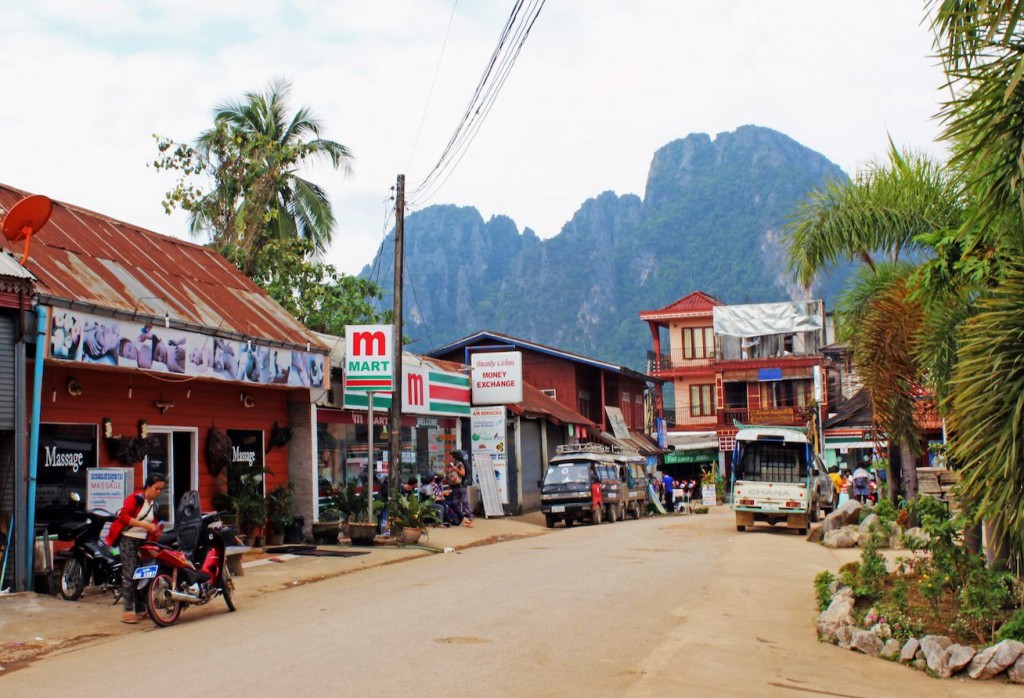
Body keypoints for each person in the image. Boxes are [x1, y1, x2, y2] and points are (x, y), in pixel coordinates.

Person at [105, 473, 165, 624]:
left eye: (161, 489)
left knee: (143, 574)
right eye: (156, 488)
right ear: (148, 486)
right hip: (128, 538)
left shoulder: (155, 506)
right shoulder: (135, 499)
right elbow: (124, 517)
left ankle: (140, 608)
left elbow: (154, 524)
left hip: (143, 541)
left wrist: (155, 531)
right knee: (130, 574)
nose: (159, 492)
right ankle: (127, 611)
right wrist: (144, 525)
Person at [450, 449, 474, 526]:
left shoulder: (460, 464)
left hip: (461, 485)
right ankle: (459, 515)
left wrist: (456, 469)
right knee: (457, 501)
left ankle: (470, 515)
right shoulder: (456, 463)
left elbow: (463, 473)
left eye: (451, 456)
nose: (450, 458)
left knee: (464, 500)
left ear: (455, 457)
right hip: (456, 485)